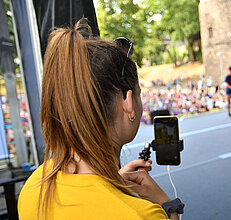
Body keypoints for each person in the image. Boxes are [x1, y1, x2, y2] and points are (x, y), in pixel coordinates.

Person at [18, 21, 180, 220]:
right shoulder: (141, 215)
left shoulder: (34, 186)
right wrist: (167, 206)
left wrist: (111, 183)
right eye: (138, 93)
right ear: (128, 102)